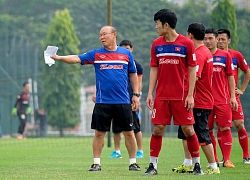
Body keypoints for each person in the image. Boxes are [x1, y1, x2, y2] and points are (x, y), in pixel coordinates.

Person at [51, 26, 141, 171]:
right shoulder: (96, 54)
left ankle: (133, 162)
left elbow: (133, 75)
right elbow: (76, 58)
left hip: (123, 101)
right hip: (102, 102)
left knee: (129, 133)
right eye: (100, 35)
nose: (102, 37)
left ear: (114, 35)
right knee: (99, 133)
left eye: (105, 34)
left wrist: (135, 95)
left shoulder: (126, 54)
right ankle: (96, 163)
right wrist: (59, 58)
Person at [144, 9, 203, 175]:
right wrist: (150, 93)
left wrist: (190, 94)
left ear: (166, 24)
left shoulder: (186, 44)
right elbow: (154, 69)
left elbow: (192, 70)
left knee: (188, 130)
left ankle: (197, 165)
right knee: (157, 130)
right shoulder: (156, 44)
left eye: (157, 23)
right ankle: (152, 166)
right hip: (162, 96)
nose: (156, 26)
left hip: (182, 96)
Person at [172, 23, 220, 174]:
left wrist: (186, 92)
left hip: (199, 101)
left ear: (190, 35)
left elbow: (195, 76)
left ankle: (213, 166)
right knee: (185, 133)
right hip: (193, 100)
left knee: (201, 134)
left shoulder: (199, 54)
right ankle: (188, 164)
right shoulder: (204, 51)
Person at [204, 28, 238, 168]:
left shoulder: (225, 55)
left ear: (217, 39)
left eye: (211, 38)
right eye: (205, 38)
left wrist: (233, 97)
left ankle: (227, 159)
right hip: (205, 100)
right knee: (208, 130)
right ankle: (215, 160)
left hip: (222, 99)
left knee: (224, 128)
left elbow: (230, 76)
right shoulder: (201, 55)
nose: (208, 41)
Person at [217, 28, 250, 164]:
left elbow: (247, 72)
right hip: (218, 96)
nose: (220, 42)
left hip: (232, 96)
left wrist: (241, 90)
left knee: (239, 124)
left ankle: (246, 155)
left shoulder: (236, 55)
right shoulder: (212, 55)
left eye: (223, 39)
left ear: (229, 41)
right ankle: (224, 158)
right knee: (221, 127)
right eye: (218, 39)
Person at [108, 39, 144, 159]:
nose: (125, 50)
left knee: (135, 127)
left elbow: (139, 83)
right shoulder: (115, 62)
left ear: (131, 49)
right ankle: (117, 151)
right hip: (117, 99)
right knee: (116, 127)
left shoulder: (136, 65)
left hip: (130, 99)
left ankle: (140, 151)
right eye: (123, 48)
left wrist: (136, 96)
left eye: (127, 48)